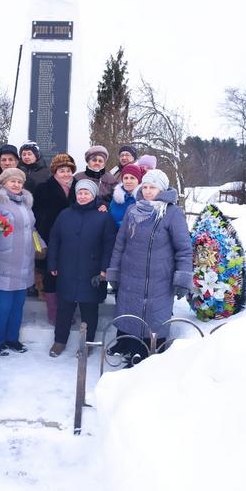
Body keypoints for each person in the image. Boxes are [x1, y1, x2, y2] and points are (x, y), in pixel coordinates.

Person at [106, 169, 193, 362]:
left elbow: (184, 249)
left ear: (161, 188)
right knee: (128, 310)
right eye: (144, 186)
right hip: (130, 274)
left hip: (158, 278)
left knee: (153, 315)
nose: (147, 191)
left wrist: (183, 278)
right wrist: (114, 271)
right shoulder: (132, 210)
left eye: (152, 187)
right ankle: (126, 345)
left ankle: (147, 352)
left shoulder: (172, 213)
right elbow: (120, 244)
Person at [0, 167, 44, 355]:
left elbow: (31, 229)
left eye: (19, 182)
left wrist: (40, 246)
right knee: (3, 306)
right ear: (4, 183)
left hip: (24, 263)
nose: (16, 185)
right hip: (3, 263)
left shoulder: (25, 203)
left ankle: (12, 339)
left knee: (17, 306)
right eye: (12, 181)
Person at [47, 179, 117, 357]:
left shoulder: (104, 217)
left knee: (90, 311)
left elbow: (110, 245)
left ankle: (88, 344)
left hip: (92, 272)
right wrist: (53, 263)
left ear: (93, 195)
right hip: (67, 269)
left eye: (87, 193)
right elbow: (54, 240)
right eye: (80, 193)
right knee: (64, 309)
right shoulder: (65, 215)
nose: (83, 196)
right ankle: (59, 342)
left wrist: (104, 270)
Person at [33, 153, 77, 324]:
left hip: (72, 240)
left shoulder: (77, 188)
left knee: (67, 277)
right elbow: (37, 213)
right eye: (61, 170)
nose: (66, 174)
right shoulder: (44, 188)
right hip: (49, 236)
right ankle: (53, 313)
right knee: (50, 276)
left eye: (68, 170)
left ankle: (67, 313)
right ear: (54, 172)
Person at [109, 163, 142, 229]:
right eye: (126, 178)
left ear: (138, 180)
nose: (128, 181)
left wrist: (116, 225)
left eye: (132, 178)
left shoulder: (142, 199)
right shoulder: (116, 197)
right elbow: (109, 215)